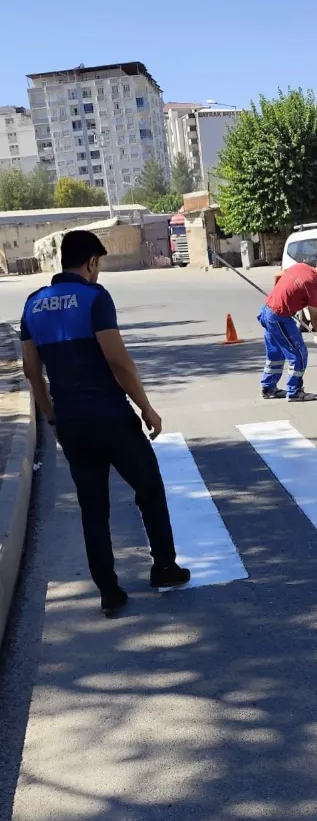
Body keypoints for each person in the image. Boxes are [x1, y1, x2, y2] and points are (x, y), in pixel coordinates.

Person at [20, 229, 190, 617]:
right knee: (149, 487)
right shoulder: (95, 298)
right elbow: (118, 361)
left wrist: (52, 417)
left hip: (72, 424)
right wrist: (146, 407)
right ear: (92, 262)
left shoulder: (33, 304)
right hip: (111, 419)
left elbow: (32, 372)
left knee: (93, 507)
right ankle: (164, 568)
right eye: (98, 265)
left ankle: (109, 592)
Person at [259, 257, 317, 401]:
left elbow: (277, 276)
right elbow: (315, 321)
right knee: (299, 354)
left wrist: (282, 297)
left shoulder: (300, 266)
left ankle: (268, 388)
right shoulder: (313, 288)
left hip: (267, 310)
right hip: (279, 317)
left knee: (275, 353)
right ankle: (295, 392)